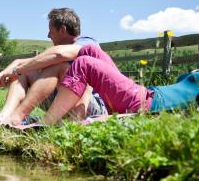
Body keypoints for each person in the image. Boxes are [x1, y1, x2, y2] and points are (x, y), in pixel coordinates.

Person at [0, 8, 107, 128]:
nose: (48, 35)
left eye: (51, 31)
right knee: (25, 72)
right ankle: (2, 118)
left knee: (59, 67)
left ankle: (19, 119)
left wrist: (17, 69)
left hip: (90, 107)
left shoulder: (88, 43)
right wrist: (14, 67)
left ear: (62, 30)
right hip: (64, 103)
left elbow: (59, 55)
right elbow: (30, 63)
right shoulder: (61, 51)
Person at [40, 44, 199, 125]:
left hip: (143, 102)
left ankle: (46, 124)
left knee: (84, 64)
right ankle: (71, 116)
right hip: (145, 92)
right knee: (90, 50)